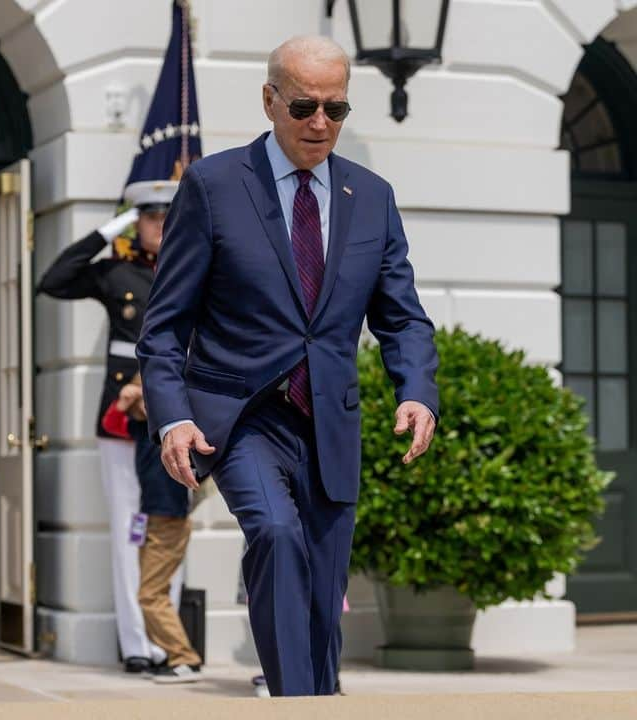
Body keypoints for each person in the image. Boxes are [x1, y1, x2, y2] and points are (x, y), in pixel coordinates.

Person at [137, 35, 439, 696]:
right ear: (270, 100)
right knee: (274, 533)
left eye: (337, 108)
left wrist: (416, 390)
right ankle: (295, 704)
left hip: (330, 420)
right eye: (304, 106)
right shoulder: (214, 186)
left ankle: (315, 697)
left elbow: (402, 315)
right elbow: (164, 327)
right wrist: (173, 419)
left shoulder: (373, 196)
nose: (320, 123)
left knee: (324, 595)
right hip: (241, 417)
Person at [36, 180, 179, 673]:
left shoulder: (193, 269)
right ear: (136, 221)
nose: (159, 224)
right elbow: (53, 280)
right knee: (128, 527)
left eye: (166, 215)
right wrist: (110, 228)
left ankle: (170, 642)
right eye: (149, 216)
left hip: (178, 414)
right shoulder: (118, 270)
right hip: (123, 415)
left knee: (168, 526)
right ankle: (137, 643)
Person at [101, 374, 202, 684]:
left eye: (152, 395)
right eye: (143, 397)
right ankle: (177, 656)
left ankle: (184, 658)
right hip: (151, 519)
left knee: (149, 594)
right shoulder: (142, 430)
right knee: (152, 592)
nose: (147, 403)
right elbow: (110, 424)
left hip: (168, 520)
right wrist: (125, 398)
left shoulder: (175, 431)